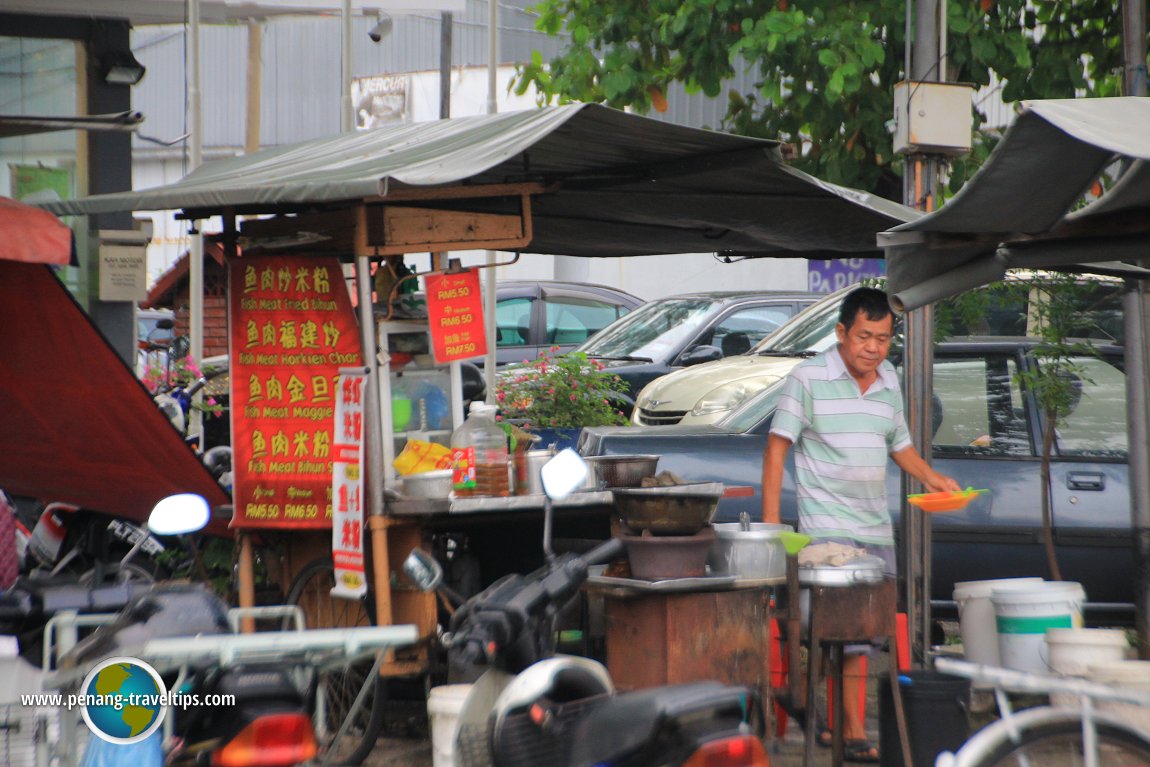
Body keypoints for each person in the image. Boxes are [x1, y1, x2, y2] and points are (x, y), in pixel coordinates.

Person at [762, 286, 959, 763]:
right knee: (840, 631)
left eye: (883, 339)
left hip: (874, 528)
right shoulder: (807, 378)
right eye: (864, 336)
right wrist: (771, 526)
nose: (873, 348)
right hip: (826, 528)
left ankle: (834, 722)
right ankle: (846, 727)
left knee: (863, 635)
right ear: (841, 333)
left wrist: (932, 477)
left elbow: (899, 444)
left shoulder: (889, 378)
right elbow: (776, 448)